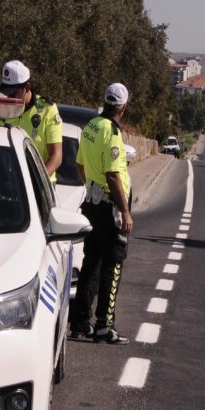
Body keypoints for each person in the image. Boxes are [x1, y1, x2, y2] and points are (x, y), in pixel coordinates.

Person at [68, 83, 132, 345]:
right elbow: (114, 175)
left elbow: (81, 164)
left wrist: (90, 187)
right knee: (112, 264)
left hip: (92, 202)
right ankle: (105, 325)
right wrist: (125, 211)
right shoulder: (112, 133)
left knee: (91, 263)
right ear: (123, 107)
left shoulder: (92, 126)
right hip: (109, 205)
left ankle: (81, 323)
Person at [0, 60, 63, 181]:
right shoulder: (0, 108)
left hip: (40, 184)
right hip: (7, 182)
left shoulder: (48, 110)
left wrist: (36, 181)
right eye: (6, 93)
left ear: (27, 87)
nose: (9, 97)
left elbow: (56, 156)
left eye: (13, 93)